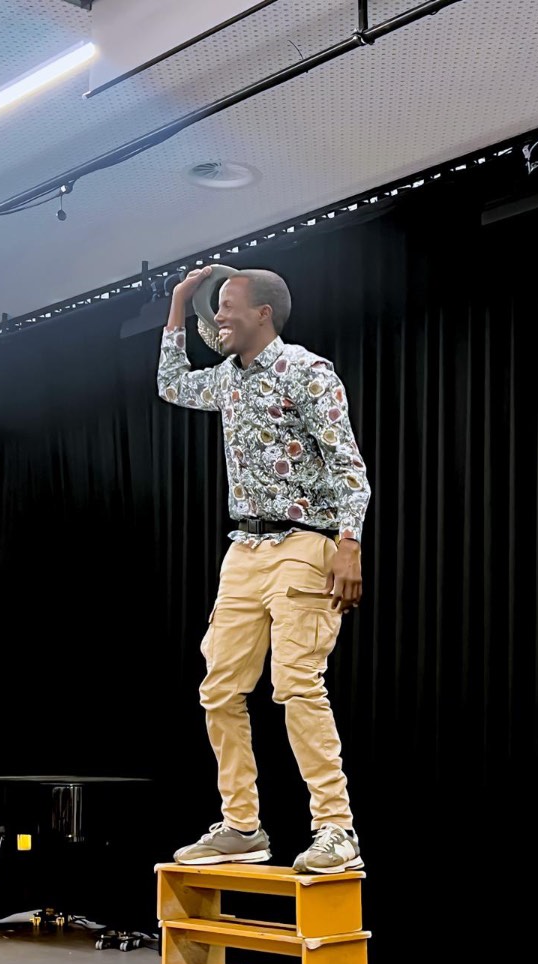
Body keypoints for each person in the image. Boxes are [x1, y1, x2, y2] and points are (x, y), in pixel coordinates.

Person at [157, 265, 370, 874]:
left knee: (298, 682)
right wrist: (178, 303)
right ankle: (242, 826)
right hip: (244, 551)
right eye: (214, 308)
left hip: (306, 542)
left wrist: (349, 545)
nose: (216, 318)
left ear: (262, 315)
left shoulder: (307, 371)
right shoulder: (226, 378)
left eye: (226, 307)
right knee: (219, 687)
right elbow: (172, 385)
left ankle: (336, 829)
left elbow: (349, 467)